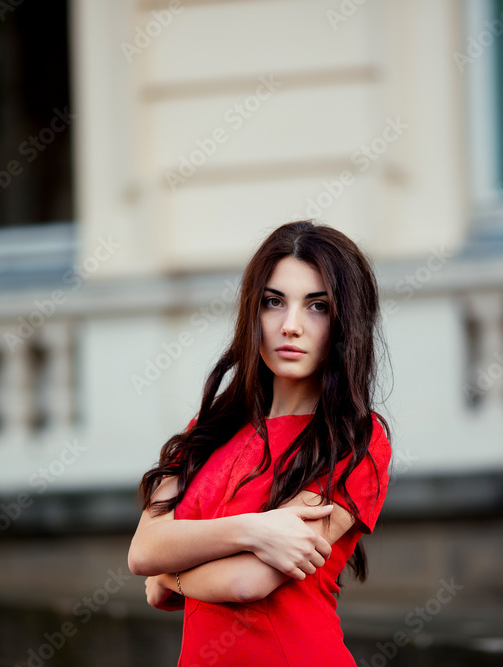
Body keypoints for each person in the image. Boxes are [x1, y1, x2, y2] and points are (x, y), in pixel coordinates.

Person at [128, 220, 393, 666]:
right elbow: (142, 552)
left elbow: (247, 582)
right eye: (274, 302)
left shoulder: (356, 441)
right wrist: (255, 529)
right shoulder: (207, 429)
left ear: (346, 321)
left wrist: (168, 578)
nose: (290, 326)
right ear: (253, 311)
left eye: (317, 306)